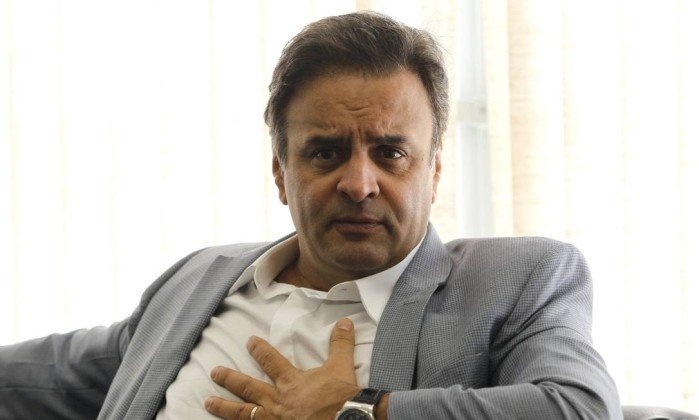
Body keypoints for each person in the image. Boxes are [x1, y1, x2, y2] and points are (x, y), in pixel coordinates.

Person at [0, 11, 621, 420]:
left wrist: (358, 410)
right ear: (280, 171)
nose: (358, 183)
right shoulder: (201, 277)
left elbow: (580, 408)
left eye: (390, 153)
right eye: (325, 153)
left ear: (433, 170)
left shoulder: (514, 279)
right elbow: (51, 376)